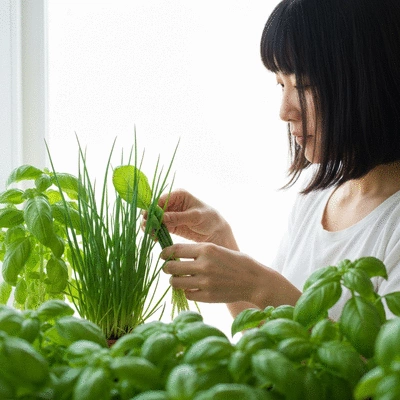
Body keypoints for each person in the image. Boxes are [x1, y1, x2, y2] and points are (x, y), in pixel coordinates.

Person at [158, 0, 400, 321]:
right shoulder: (316, 199)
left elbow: (378, 369)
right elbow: (274, 352)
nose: (285, 111)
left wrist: (262, 286)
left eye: (304, 85)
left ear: (369, 79)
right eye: (281, 84)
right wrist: (221, 239)